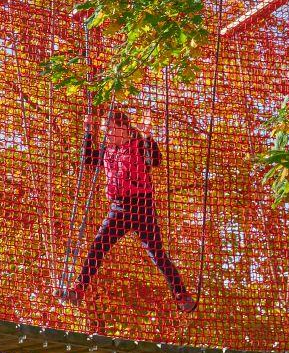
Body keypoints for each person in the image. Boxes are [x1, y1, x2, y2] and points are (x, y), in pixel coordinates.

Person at [57, 106, 195, 312]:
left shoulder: (138, 145)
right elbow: (87, 158)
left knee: (156, 254)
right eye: (104, 131)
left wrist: (148, 136)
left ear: (123, 128)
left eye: (110, 130)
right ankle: (79, 289)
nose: (107, 135)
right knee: (98, 246)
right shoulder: (108, 151)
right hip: (119, 208)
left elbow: (154, 160)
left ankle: (181, 294)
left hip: (141, 207)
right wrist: (88, 131)